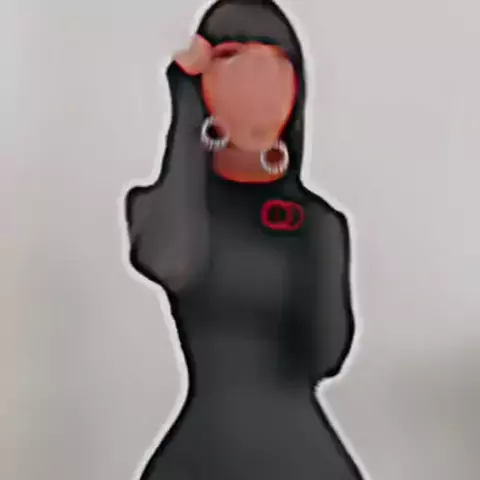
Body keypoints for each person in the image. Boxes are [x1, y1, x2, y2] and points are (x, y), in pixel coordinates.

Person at [125, 0, 365, 478]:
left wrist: (311, 247)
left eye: (275, 75)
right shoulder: (160, 207)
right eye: (236, 70)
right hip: (201, 457)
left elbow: (326, 354)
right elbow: (171, 260)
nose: (258, 95)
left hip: (301, 460)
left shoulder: (319, 223)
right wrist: (185, 97)